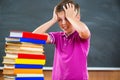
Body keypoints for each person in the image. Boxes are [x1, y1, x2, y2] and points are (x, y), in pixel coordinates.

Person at [33, 0, 91, 80]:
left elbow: (84, 31)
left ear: (77, 17)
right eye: (60, 20)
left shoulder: (81, 36)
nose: (63, 23)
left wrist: (71, 17)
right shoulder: (58, 37)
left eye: (66, 18)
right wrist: (53, 20)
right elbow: (32, 38)